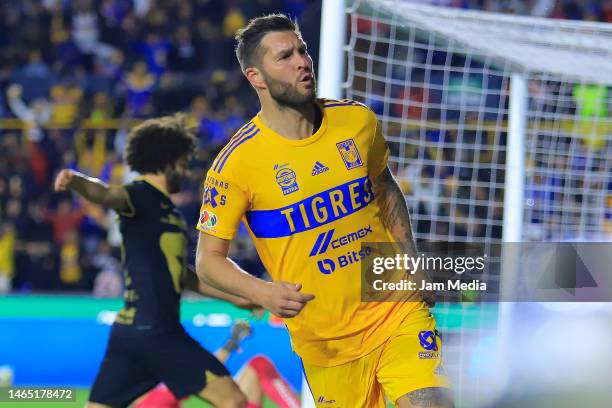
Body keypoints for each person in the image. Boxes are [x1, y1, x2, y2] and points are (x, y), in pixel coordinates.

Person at [195, 14, 452, 408]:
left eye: (302, 50)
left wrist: (410, 257)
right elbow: (208, 262)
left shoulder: (356, 121)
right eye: (285, 56)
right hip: (326, 343)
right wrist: (262, 292)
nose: (302, 61)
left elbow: (384, 187)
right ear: (256, 77)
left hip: (394, 306)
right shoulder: (236, 165)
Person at [54, 115, 248, 408]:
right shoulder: (139, 195)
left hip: (132, 334)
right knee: (232, 401)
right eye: (183, 162)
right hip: (158, 333)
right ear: (167, 160)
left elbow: (181, 276)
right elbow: (107, 194)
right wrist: (77, 182)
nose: (185, 170)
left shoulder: (167, 208)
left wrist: (237, 298)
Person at [135, 320, 300, 408]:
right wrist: (232, 342)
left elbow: (201, 371)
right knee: (259, 364)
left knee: (258, 365)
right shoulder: (159, 393)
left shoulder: (158, 390)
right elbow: (201, 371)